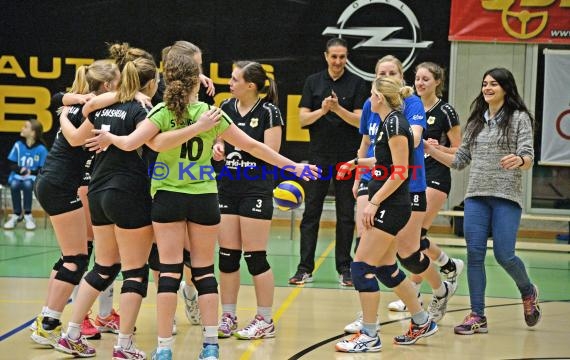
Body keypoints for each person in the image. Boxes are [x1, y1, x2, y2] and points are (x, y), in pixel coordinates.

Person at [84, 53, 318, 360]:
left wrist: (110, 137)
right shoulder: (210, 114)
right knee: (205, 272)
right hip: (205, 198)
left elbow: (134, 144)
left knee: (168, 273)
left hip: (167, 197)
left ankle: (164, 348)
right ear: (197, 81)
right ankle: (210, 347)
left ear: (169, 80)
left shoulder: (160, 112)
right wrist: (293, 167)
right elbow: (252, 145)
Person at [54, 56, 159, 359]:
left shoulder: (100, 106)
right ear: (150, 83)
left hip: (97, 192)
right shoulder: (143, 110)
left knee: (103, 266)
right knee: (136, 272)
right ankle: (124, 345)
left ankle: (71, 333)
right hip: (127, 192)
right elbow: (150, 143)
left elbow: (83, 111)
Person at [342, 56, 456, 334]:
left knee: (403, 252)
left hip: (401, 189)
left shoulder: (403, 114)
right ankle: (413, 318)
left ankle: (438, 289)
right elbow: (368, 145)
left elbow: (405, 157)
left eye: (393, 72)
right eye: (382, 72)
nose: (388, 75)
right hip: (380, 183)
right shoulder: (378, 112)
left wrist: (377, 199)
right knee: (378, 261)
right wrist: (357, 167)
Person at [424, 67, 541, 335]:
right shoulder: (476, 121)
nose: (487, 88)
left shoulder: (520, 118)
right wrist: (431, 150)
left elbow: (528, 155)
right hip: (476, 197)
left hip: (505, 196)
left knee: (504, 255)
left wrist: (520, 160)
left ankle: (527, 290)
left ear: (506, 89)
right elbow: (460, 160)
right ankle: (477, 315)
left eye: (494, 84)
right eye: (484, 83)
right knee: (474, 255)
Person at [335, 77, 437, 353]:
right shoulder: (387, 122)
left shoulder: (395, 123)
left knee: (361, 268)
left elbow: (401, 171)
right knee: (385, 269)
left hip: (391, 206)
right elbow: (384, 162)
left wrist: (375, 202)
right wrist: (355, 162)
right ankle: (421, 320)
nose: (369, 98)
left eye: (371, 93)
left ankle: (369, 335)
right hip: (389, 203)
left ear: (380, 97)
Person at [30, 64, 120, 346]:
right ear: (106, 86)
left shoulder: (77, 101)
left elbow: (59, 99)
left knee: (70, 256)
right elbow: (75, 137)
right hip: (58, 185)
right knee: (77, 259)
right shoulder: (91, 108)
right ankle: (49, 324)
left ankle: (45, 318)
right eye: (119, 83)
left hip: (53, 183)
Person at [385, 61, 465, 314]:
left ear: (437, 82)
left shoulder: (446, 111)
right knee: (410, 239)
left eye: (426, 79)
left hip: (437, 176)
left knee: (414, 238)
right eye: (417, 78)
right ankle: (448, 264)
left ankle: (416, 290)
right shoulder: (407, 105)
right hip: (413, 175)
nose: (420, 83)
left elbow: (460, 150)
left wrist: (436, 148)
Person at [289, 37, 368, 286]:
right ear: (326, 56)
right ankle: (304, 268)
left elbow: (359, 121)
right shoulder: (313, 82)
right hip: (318, 158)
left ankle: (345, 268)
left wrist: (337, 110)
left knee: (346, 214)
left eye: (342, 57)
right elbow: (302, 120)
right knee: (311, 212)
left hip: (347, 159)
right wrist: (323, 110)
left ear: (347, 58)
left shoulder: (357, 84)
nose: (337, 61)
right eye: (333, 56)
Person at [213, 61, 282, 340]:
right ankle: (228, 315)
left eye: (234, 79)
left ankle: (265, 319)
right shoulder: (226, 108)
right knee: (228, 257)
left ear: (251, 85)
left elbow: (271, 153)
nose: (230, 83)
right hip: (228, 187)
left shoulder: (269, 111)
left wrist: (240, 145)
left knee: (255, 257)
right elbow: (218, 141)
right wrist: (218, 147)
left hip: (256, 189)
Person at [4, 119, 48, 230]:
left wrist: (30, 172)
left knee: (28, 184)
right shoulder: (18, 145)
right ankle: (17, 214)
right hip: (17, 176)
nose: (22, 128)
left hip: (32, 177)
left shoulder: (41, 149)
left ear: (33, 132)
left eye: (25, 126)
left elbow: (43, 168)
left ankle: (28, 215)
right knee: (14, 184)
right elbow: (11, 163)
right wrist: (21, 170)